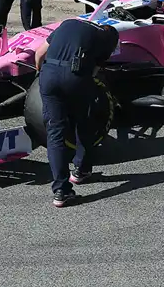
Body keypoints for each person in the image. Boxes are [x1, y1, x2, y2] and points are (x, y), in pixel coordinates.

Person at [34, 18, 120, 207]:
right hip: (76, 78)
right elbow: (95, 71)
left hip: (49, 76)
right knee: (84, 121)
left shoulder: (68, 23)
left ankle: (61, 191)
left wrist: (42, 75)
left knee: (55, 133)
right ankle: (81, 170)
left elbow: (39, 53)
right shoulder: (105, 39)